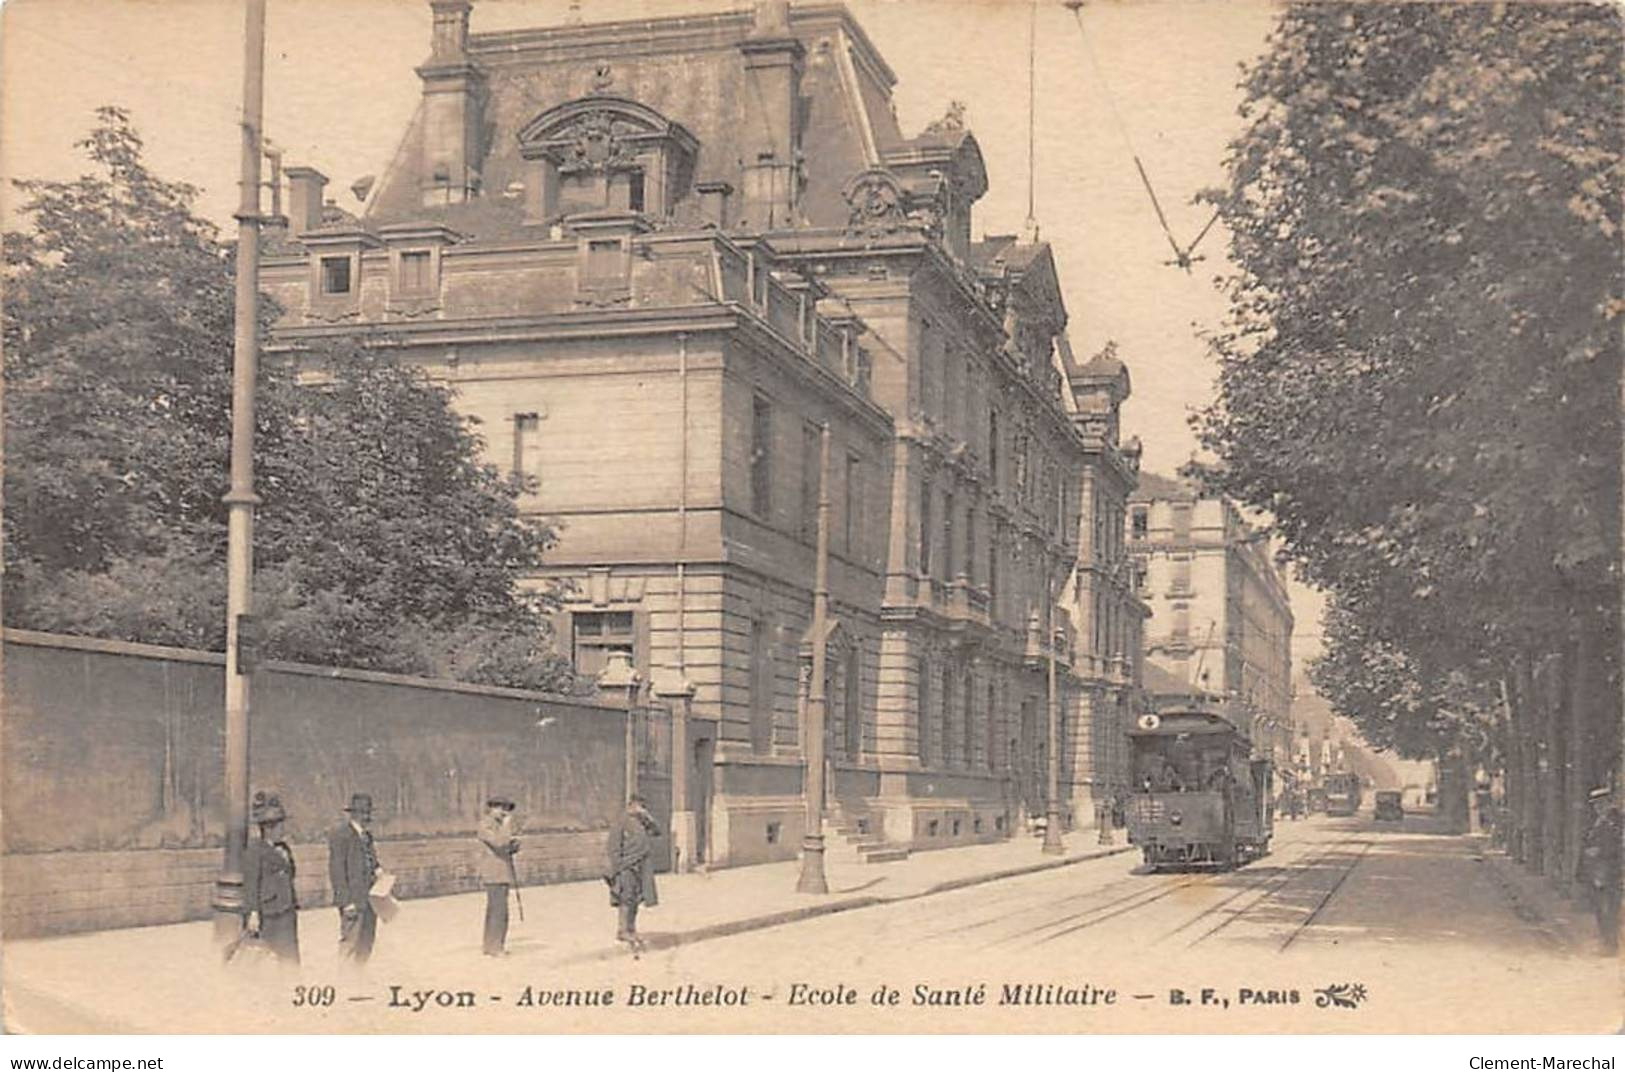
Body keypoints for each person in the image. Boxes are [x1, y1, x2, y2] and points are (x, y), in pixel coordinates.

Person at [243, 790, 300, 964]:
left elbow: (291, 873)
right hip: (269, 912)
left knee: (291, 957)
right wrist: (252, 913)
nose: (283, 829)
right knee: (270, 958)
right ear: (268, 828)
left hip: (287, 909)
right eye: (279, 825)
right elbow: (251, 883)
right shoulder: (255, 849)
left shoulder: (284, 847)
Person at [329, 792, 381, 964]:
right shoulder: (341, 835)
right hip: (353, 900)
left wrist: (379, 871)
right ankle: (345, 983)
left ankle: (359, 978)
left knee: (366, 943)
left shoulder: (366, 836)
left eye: (368, 812)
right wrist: (345, 901)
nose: (367, 817)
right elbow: (337, 871)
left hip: (370, 900)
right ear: (354, 814)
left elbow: (372, 862)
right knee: (350, 944)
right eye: (363, 813)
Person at [605, 795, 661, 949]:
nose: (640, 809)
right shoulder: (621, 821)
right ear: (630, 805)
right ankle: (622, 930)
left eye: (642, 806)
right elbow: (613, 847)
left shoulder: (643, 821)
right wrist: (617, 868)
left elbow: (657, 832)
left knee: (636, 899)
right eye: (638, 806)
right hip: (626, 866)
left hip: (641, 865)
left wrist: (648, 818)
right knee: (626, 898)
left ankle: (631, 928)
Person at [1579, 785, 1621, 955]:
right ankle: (1606, 942)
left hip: (1609, 871)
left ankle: (1610, 946)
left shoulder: (1616, 821)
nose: (1598, 807)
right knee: (1600, 908)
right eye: (1595, 804)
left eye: (1601, 804)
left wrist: (1600, 851)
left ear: (1608, 803)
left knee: (1608, 909)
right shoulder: (1599, 820)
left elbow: (1619, 845)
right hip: (1596, 871)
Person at [477, 795, 520, 957]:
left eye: (506, 809)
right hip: (494, 873)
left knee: (497, 910)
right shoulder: (485, 825)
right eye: (500, 808)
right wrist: (507, 827)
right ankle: (495, 947)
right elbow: (500, 843)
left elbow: (504, 846)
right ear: (491, 808)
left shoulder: (497, 826)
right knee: (499, 911)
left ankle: (491, 946)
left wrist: (514, 845)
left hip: (501, 872)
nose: (504, 812)